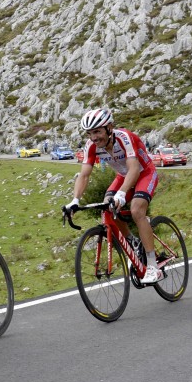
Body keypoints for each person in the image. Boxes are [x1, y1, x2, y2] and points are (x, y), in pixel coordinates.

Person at [66, 107, 162, 283]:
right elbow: (85, 174)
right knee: (107, 207)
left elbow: (134, 168)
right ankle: (132, 241)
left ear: (109, 127)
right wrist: (75, 200)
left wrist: (122, 194)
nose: (94, 137)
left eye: (97, 131)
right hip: (123, 176)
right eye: (90, 133)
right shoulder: (91, 146)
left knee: (137, 210)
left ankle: (153, 266)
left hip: (144, 173)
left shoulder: (124, 137)